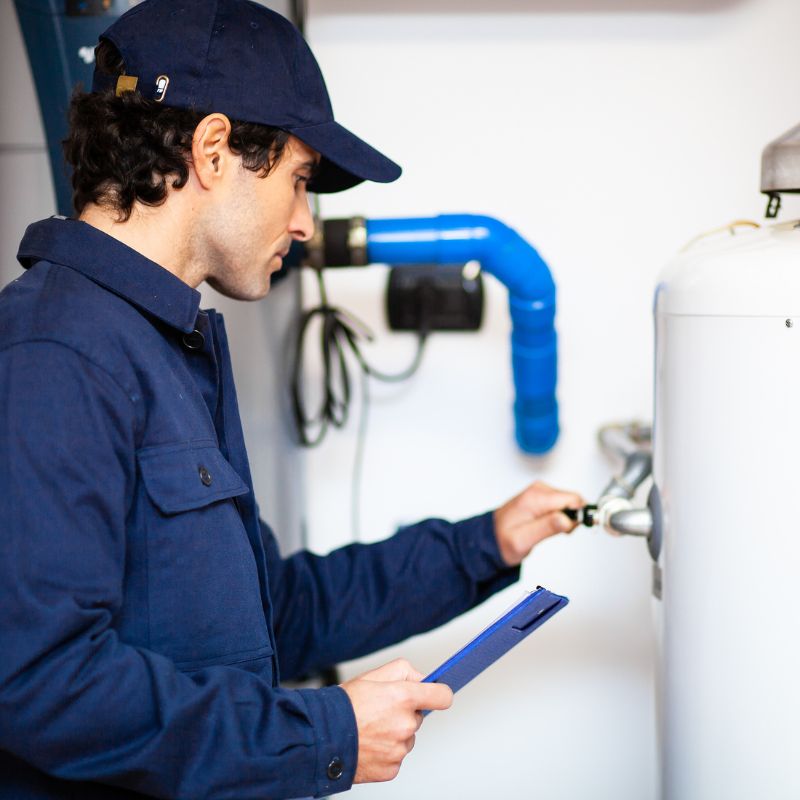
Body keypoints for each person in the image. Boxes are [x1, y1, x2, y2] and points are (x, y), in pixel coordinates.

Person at [0, 2, 584, 798]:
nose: (307, 222)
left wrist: (485, 545)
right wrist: (325, 733)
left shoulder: (165, 348)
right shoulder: (57, 354)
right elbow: (42, 681)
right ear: (214, 151)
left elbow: (280, 611)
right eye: (301, 180)